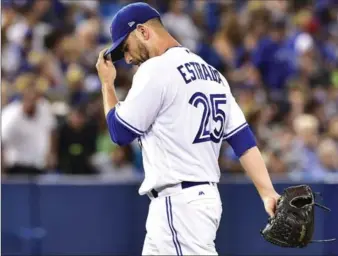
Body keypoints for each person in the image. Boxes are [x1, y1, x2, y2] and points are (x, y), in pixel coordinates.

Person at [96, 2, 280, 255]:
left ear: (143, 31)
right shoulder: (212, 74)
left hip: (179, 204)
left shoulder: (156, 69)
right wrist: (267, 192)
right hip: (200, 202)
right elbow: (243, 141)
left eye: (125, 47)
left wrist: (107, 85)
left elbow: (120, 132)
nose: (127, 58)